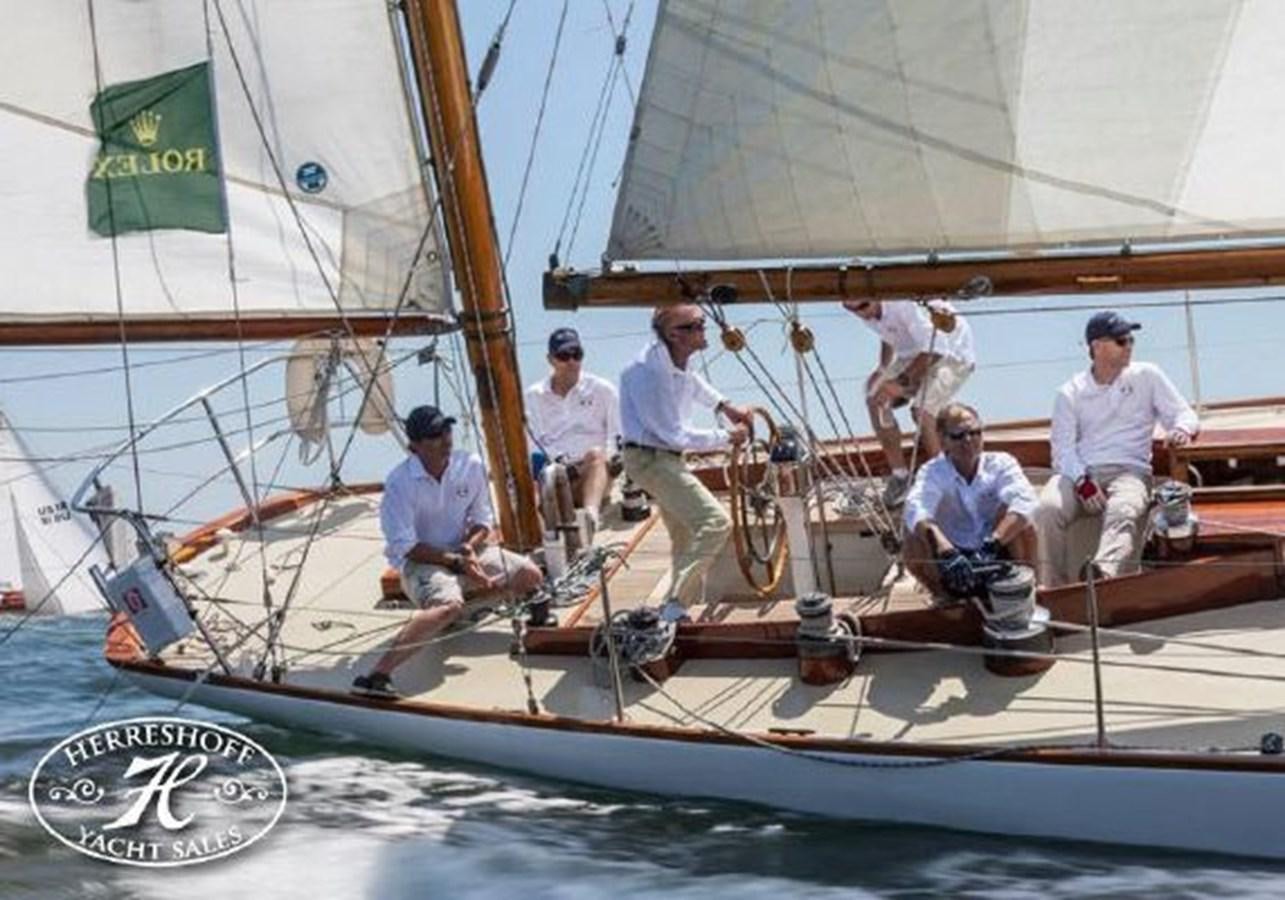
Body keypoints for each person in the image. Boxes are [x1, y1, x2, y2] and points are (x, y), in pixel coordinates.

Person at [352, 404, 543, 699]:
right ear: (414, 446)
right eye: (434, 435)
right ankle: (377, 675)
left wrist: (468, 549)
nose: (445, 439)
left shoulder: (471, 465)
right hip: (421, 563)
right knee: (446, 606)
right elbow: (404, 546)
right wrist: (454, 562)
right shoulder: (399, 483)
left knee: (530, 575)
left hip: (464, 552)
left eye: (447, 430)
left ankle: (459, 613)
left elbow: (483, 521)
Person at [1035, 311, 1200, 586]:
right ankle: (1053, 586)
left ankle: (1101, 576)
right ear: (1097, 347)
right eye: (1121, 341)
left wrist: (1181, 431)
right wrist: (1082, 482)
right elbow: (1062, 451)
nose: (1130, 346)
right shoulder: (1069, 392)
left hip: (1131, 471)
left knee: (1123, 509)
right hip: (1081, 472)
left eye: (1131, 339)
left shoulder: (1147, 375)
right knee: (1047, 509)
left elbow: (1185, 414)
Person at [619, 303, 751, 622]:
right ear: (675, 335)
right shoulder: (650, 374)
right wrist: (727, 437)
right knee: (716, 523)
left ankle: (674, 610)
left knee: (685, 535)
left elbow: (692, 383)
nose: (705, 329)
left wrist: (725, 406)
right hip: (651, 460)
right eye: (696, 325)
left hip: (663, 458)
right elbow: (673, 435)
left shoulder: (675, 358)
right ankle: (677, 603)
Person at [843, 298, 975, 507]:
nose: (859, 313)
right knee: (875, 400)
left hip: (951, 354)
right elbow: (888, 333)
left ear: (876, 295)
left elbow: (937, 348)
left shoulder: (907, 306)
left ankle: (947, 484)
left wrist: (900, 382)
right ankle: (901, 477)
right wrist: (882, 367)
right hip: (914, 354)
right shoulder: (868, 309)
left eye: (862, 306)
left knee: (922, 410)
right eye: (850, 309)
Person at [903, 403, 1039, 601]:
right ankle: (944, 599)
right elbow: (917, 508)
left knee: (1020, 518)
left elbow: (1025, 500)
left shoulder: (1002, 463)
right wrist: (947, 551)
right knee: (913, 536)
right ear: (942, 441)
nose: (968, 440)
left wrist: (992, 544)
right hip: (954, 558)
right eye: (958, 436)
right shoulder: (931, 472)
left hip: (998, 549)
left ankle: (1029, 588)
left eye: (974, 432)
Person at [524, 327, 621, 531]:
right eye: (563, 356)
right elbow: (532, 444)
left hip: (595, 472)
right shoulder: (534, 396)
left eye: (577, 355)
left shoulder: (602, 390)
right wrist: (561, 467)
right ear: (550, 359)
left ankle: (590, 518)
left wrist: (611, 459)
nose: (571, 362)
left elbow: (617, 436)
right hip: (556, 477)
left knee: (595, 455)